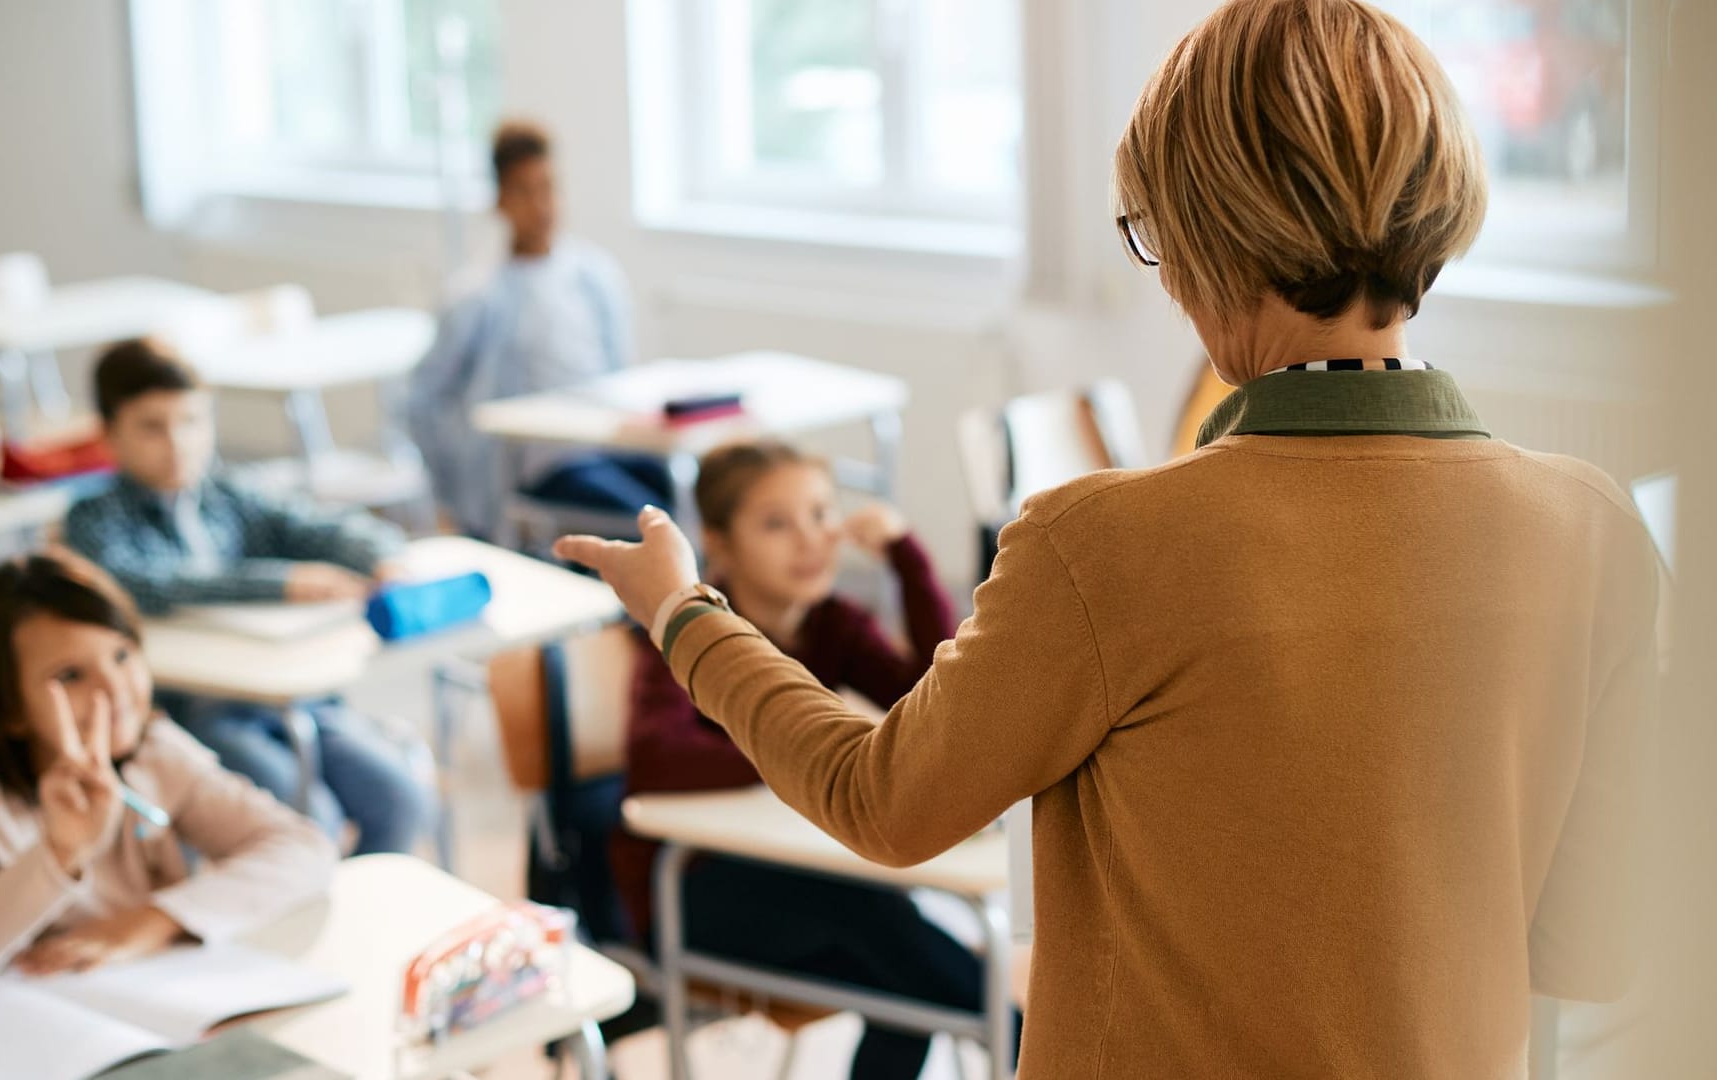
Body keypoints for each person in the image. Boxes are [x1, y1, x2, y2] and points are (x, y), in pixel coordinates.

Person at [555, 0, 1662, 1075]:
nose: (1169, 278)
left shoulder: (1106, 545)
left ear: (1215, 231)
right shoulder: (1594, 532)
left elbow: (881, 800)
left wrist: (685, 613)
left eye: (1157, 238)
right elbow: (1592, 949)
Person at [609, 439, 1014, 1079]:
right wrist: (795, 742)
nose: (810, 540)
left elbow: (937, 700)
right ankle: (1025, 1038)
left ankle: (1020, 1034)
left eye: (822, 515)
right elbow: (659, 757)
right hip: (694, 888)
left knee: (905, 986)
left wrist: (905, 561)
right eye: (776, 524)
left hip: (803, 871)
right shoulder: (683, 626)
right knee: (883, 925)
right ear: (717, 543)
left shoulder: (834, 624)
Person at [0, 552, 337, 1017]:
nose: (115, 691)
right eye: (72, 675)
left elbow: (304, 847)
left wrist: (154, 920)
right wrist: (57, 855)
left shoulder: (153, 751)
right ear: (9, 706)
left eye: (122, 656)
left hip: (132, 1009)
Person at [64, 339, 432, 856]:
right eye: (151, 426)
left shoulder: (226, 495)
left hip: (290, 699)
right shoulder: (93, 520)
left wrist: (378, 556)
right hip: (194, 715)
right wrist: (280, 583)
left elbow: (316, 527)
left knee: (398, 796)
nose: (177, 443)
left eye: (191, 421)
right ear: (109, 434)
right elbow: (153, 582)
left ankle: (351, 909)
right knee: (309, 815)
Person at [410, 120, 669, 540]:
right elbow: (425, 399)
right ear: (500, 202)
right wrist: (451, 496)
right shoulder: (476, 298)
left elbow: (620, 372)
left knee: (689, 495)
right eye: (523, 192)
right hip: (539, 464)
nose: (540, 206)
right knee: (652, 525)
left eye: (548, 187)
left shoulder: (595, 277)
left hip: (605, 444)